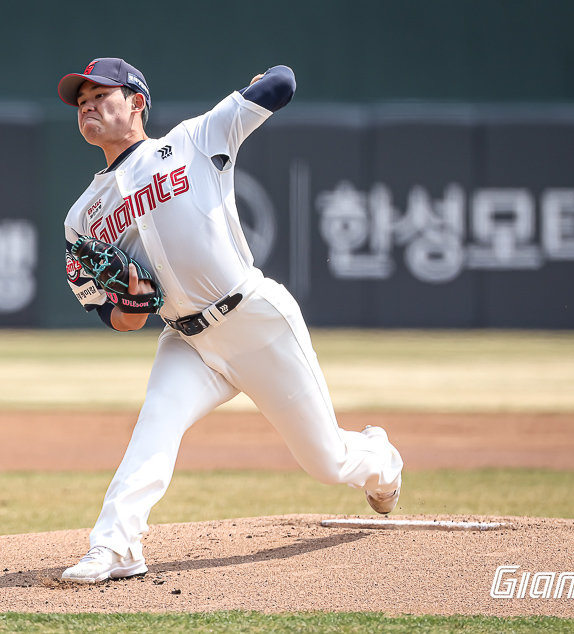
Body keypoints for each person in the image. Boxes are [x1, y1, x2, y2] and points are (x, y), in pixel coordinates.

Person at [58, 58, 403, 584]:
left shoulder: (195, 140)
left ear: (137, 103)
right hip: (187, 342)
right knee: (155, 426)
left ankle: (380, 457)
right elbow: (118, 320)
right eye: (82, 103)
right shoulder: (82, 214)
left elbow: (283, 82)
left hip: (255, 320)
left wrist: (248, 93)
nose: (89, 107)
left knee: (326, 462)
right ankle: (117, 546)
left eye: (103, 96)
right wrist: (129, 304)